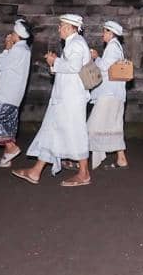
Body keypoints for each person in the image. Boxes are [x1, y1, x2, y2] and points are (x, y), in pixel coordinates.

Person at [14, 13, 92, 187]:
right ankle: (35, 171)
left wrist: (54, 60)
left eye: (61, 25)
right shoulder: (72, 43)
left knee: (75, 132)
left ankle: (84, 173)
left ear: (70, 27)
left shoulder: (77, 44)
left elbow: (73, 67)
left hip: (71, 100)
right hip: (63, 98)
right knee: (51, 131)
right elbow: (68, 69)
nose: (58, 28)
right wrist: (55, 66)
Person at [0, 19, 32, 167]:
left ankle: (11, 148)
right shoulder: (24, 49)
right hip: (14, 95)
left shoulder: (18, 50)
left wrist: (6, 48)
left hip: (7, 94)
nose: (10, 34)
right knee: (8, 124)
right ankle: (6, 159)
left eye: (12, 32)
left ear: (17, 35)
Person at [88, 20, 129, 170]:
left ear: (111, 33)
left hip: (110, 94)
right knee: (112, 125)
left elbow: (105, 67)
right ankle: (121, 158)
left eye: (104, 31)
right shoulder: (116, 47)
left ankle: (80, 159)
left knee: (93, 125)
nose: (102, 34)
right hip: (114, 93)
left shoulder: (112, 47)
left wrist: (96, 57)